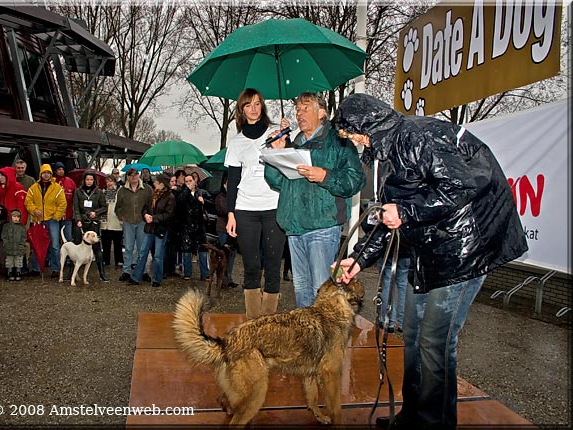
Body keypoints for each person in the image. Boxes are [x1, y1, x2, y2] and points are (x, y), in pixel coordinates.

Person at [333, 93, 529, 430]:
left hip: (464, 250)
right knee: (412, 335)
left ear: (367, 125)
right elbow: (390, 217)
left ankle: (435, 422)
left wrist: (406, 211)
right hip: (430, 249)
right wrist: (357, 260)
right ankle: (414, 415)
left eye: (353, 135)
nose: (355, 142)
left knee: (436, 342)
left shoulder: (418, 136)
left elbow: (461, 185)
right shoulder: (392, 151)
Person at [264, 91, 366, 308]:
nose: (299, 113)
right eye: (298, 109)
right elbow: (277, 183)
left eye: (306, 108)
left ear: (322, 112)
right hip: (295, 226)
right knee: (301, 288)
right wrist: (276, 155)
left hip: (323, 226)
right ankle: (309, 339)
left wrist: (325, 176)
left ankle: (327, 340)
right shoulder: (294, 144)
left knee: (321, 289)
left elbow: (356, 180)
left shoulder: (339, 142)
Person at [225, 88, 288, 317]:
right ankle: (253, 322)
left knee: (273, 265)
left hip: (273, 205)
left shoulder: (276, 132)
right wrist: (231, 214)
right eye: (248, 105)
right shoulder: (236, 142)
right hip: (245, 209)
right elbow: (232, 180)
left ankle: (268, 320)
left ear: (263, 106)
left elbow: (289, 164)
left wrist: (285, 138)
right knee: (251, 266)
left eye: (257, 103)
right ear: (241, 110)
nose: (253, 108)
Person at [128, 174, 175, 288]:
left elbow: (169, 214)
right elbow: (145, 208)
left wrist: (154, 218)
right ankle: (136, 277)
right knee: (143, 252)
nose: (154, 183)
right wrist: (145, 215)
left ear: (162, 184)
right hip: (149, 228)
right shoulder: (153, 195)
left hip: (160, 229)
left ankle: (157, 279)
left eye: (156, 182)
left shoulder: (170, 197)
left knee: (158, 255)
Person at [24, 164, 67, 277]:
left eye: (48, 173)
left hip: (52, 220)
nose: (46, 175)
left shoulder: (57, 188)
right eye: (44, 172)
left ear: (51, 174)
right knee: (36, 244)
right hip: (38, 220)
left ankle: (56, 269)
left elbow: (62, 204)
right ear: (41, 174)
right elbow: (28, 202)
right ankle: (36, 268)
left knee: (54, 245)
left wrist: (56, 216)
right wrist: (34, 210)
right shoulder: (33, 188)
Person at [115, 167, 153, 282]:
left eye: (135, 175)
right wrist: (121, 216)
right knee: (128, 247)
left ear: (139, 175)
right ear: (128, 177)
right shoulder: (122, 190)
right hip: (128, 222)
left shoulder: (147, 189)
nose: (133, 177)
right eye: (131, 175)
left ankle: (144, 271)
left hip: (142, 221)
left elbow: (151, 204)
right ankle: (126, 271)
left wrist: (149, 216)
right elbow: (118, 206)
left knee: (143, 248)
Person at [72, 170, 108, 282]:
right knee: (77, 246)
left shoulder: (99, 192)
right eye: (87, 179)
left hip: (94, 223)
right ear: (84, 180)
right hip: (81, 222)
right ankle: (74, 273)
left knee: (97, 248)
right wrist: (78, 220)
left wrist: (96, 213)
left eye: (91, 179)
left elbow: (104, 207)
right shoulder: (78, 191)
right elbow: (76, 207)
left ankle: (102, 273)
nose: (89, 182)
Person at [177, 174, 208, 281]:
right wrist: (187, 190)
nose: (189, 182)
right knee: (186, 251)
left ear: (195, 181)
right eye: (186, 181)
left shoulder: (201, 192)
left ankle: (205, 273)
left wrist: (203, 201)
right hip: (186, 225)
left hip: (199, 225)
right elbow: (180, 203)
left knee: (203, 250)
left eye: (190, 180)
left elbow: (210, 203)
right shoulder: (182, 192)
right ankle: (187, 273)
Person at [214, 175, 237, 289]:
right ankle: (222, 278)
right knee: (223, 255)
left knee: (232, 255)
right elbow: (222, 210)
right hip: (223, 228)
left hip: (233, 229)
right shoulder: (220, 197)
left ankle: (228, 277)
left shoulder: (235, 197)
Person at [100, 175, 123, 267]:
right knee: (105, 243)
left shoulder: (120, 192)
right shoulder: (103, 192)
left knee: (118, 243)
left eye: (111, 181)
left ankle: (119, 260)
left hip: (116, 220)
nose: (109, 183)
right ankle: (106, 260)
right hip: (105, 222)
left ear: (115, 181)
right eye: (107, 181)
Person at [53, 161, 77, 242]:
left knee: (68, 238)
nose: (61, 171)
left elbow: (75, 197)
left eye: (62, 169)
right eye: (59, 169)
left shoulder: (70, 181)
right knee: (54, 239)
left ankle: (68, 254)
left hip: (67, 215)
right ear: (55, 171)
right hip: (54, 215)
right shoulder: (52, 182)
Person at [1, 208, 26, 281]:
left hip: (19, 248)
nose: (16, 218)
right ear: (11, 217)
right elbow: (4, 236)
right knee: (9, 261)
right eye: (14, 217)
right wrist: (6, 244)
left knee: (18, 260)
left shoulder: (22, 227)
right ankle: (10, 272)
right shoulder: (6, 226)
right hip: (9, 247)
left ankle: (18, 272)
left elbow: (24, 237)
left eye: (18, 217)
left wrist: (21, 244)